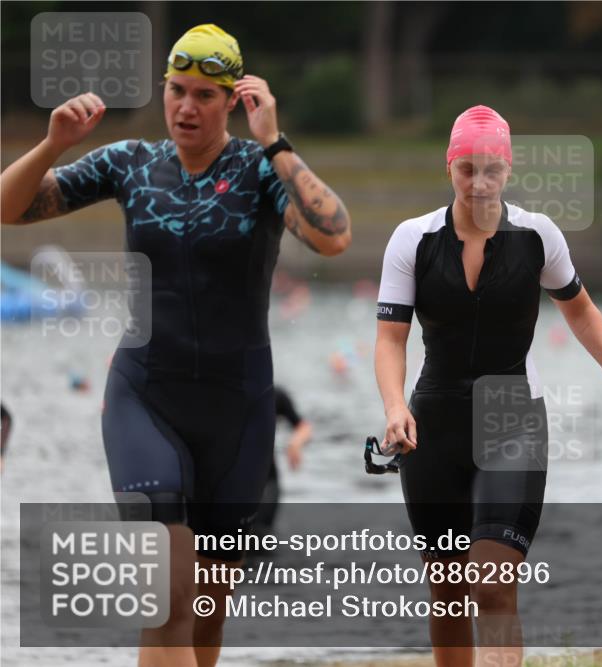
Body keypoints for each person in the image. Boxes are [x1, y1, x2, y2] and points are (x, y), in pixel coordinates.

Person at [0, 24, 350, 667]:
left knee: (207, 608)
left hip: (236, 407)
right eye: (176, 90)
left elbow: (333, 236)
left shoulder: (259, 170)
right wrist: (51, 144)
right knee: (166, 597)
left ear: (233, 101)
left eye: (205, 96)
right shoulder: (130, 162)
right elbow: (9, 208)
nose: (187, 107)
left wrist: (274, 139)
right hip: (145, 394)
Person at [374, 105, 602, 667]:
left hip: (511, 413)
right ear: (449, 166)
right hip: (434, 417)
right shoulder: (413, 239)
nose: (478, 183)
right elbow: (390, 339)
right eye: (466, 168)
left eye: (490, 169)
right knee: (449, 594)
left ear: (508, 169)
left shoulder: (536, 236)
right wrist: (396, 405)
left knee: (492, 584)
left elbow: (581, 311)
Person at [255, 385, 313, 534]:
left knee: (261, 535)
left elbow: (303, 426)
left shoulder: (273, 394)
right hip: (227, 480)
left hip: (266, 480)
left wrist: (295, 444)